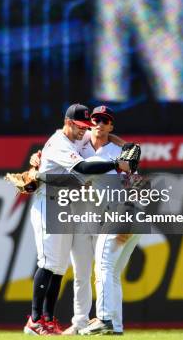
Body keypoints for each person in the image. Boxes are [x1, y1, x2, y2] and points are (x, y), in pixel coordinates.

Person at [24, 104, 131, 336]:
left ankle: (104, 322)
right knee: (64, 267)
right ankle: (43, 320)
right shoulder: (65, 143)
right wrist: (38, 162)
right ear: (68, 122)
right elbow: (82, 166)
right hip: (59, 204)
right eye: (92, 122)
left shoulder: (83, 141)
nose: (93, 126)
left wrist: (127, 146)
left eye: (103, 121)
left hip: (99, 213)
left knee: (78, 268)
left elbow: (111, 143)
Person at [78, 106, 141, 336]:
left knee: (103, 267)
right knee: (112, 273)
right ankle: (115, 326)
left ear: (111, 125)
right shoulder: (81, 145)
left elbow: (134, 170)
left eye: (105, 121)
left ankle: (104, 318)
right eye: (96, 119)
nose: (100, 123)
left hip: (124, 210)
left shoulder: (119, 149)